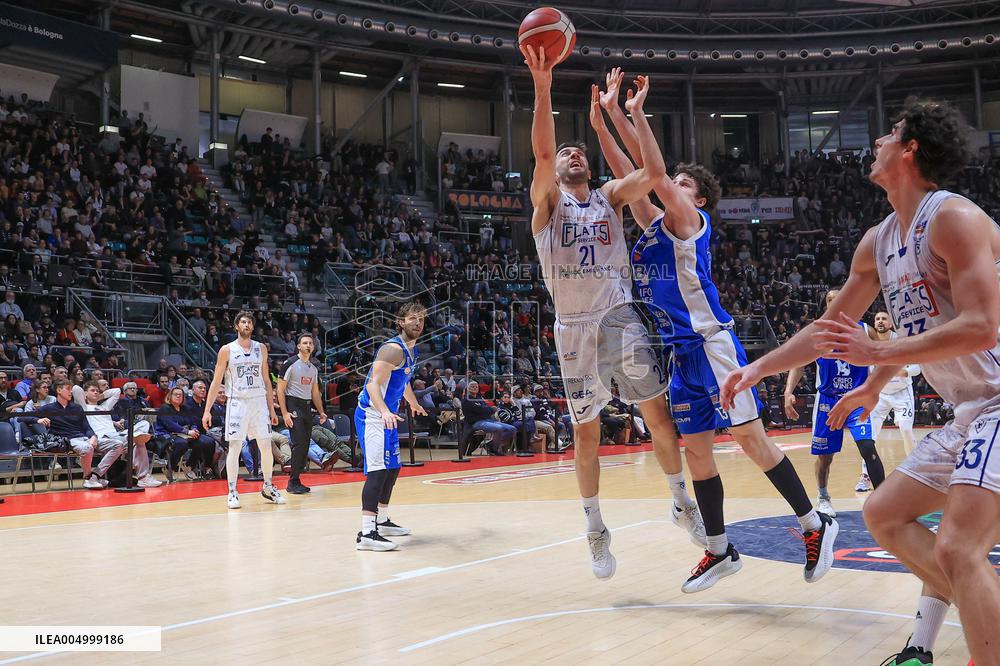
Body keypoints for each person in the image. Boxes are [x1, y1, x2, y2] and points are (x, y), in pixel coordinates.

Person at [720, 98, 1000, 666]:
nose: (877, 143)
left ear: (910, 149)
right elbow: (832, 329)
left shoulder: (954, 217)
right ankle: (975, 604)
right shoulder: (879, 241)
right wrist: (761, 366)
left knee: (959, 545)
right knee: (883, 514)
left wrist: (881, 352)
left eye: (888, 134)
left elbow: (981, 326)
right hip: (972, 409)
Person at [593, 67, 835, 592]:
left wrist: (632, 114)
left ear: (698, 199)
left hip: (713, 346)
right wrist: (605, 120)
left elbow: (651, 173)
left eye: (683, 184)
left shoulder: (689, 223)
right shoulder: (654, 223)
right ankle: (720, 550)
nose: (669, 186)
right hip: (680, 355)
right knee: (697, 452)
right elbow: (636, 177)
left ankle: (813, 523)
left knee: (750, 439)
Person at [523, 47, 704, 580]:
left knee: (657, 417)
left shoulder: (608, 196)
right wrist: (542, 84)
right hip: (574, 333)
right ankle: (595, 530)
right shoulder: (547, 207)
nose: (574, 154)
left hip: (620, 319)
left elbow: (654, 171)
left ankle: (680, 502)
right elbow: (539, 156)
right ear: (555, 172)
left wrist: (631, 113)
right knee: (587, 436)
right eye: (567, 153)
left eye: (580, 151)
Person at [783, 288, 885, 517]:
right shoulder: (817, 333)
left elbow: (887, 345)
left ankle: (884, 502)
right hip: (828, 401)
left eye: (839, 297)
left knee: (868, 447)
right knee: (825, 457)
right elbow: (798, 363)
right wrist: (789, 390)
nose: (835, 301)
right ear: (826, 305)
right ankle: (823, 496)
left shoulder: (863, 329)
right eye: (830, 299)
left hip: (857, 398)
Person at [354, 302, 428, 552]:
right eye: (413, 318)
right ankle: (366, 533)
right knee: (377, 471)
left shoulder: (411, 349)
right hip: (372, 415)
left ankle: (382, 521)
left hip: (388, 417)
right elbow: (373, 385)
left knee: (392, 468)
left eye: (422, 319)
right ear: (400, 322)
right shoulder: (392, 349)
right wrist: (384, 410)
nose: (418, 323)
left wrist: (414, 403)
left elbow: (403, 380)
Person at [203, 310, 284, 509]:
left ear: (252, 327)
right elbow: (216, 381)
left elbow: (266, 380)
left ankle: (267, 486)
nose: (246, 325)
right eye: (243, 322)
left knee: (266, 445)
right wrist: (207, 410)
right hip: (237, 402)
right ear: (237, 326)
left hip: (258, 402)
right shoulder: (227, 350)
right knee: (235, 447)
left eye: (249, 322)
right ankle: (232, 491)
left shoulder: (261, 348)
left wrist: (272, 410)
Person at [860, 310, 921, 491]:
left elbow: (919, 365)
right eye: (877, 319)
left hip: (902, 392)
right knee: (869, 436)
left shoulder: (901, 340)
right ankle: (865, 475)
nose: (880, 321)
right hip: (880, 394)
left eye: (884, 319)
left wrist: (906, 372)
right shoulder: (870, 344)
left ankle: (914, 469)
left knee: (906, 429)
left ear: (890, 324)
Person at [74, 380, 161, 488]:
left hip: (118, 436)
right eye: (92, 390)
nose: (96, 392)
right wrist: (87, 395)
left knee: (144, 424)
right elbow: (76, 389)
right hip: (102, 439)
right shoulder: (83, 407)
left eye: (97, 390)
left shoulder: (104, 407)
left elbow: (117, 391)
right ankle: (143, 477)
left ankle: (143, 476)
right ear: (85, 393)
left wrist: (100, 396)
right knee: (139, 441)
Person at [35, 379, 116, 489]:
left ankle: (95, 475)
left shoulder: (77, 408)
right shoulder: (49, 408)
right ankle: (87, 478)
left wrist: (93, 436)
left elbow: (86, 426)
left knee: (117, 445)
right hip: (67, 439)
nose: (71, 392)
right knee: (87, 448)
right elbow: (22, 418)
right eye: (68, 389)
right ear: (59, 390)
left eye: (71, 390)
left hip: (83, 437)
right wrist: (37, 420)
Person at [276, 333, 327, 495]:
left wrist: (321, 411)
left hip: (306, 407)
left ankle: (297, 479)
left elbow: (314, 393)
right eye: (304, 343)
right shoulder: (290, 364)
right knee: (298, 445)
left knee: (305, 445)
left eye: (310, 343)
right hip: (293, 404)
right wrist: (284, 412)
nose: (307, 345)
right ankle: (292, 481)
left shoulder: (312, 368)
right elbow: (280, 389)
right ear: (298, 346)